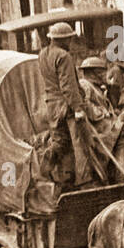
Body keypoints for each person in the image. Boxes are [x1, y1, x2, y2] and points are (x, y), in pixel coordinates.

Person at [37, 21, 86, 186]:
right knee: (75, 143)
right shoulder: (64, 56)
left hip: (51, 105)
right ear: (63, 39)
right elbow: (68, 86)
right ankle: (82, 179)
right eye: (69, 39)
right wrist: (78, 108)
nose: (70, 42)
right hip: (65, 107)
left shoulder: (43, 54)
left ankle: (59, 176)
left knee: (60, 141)